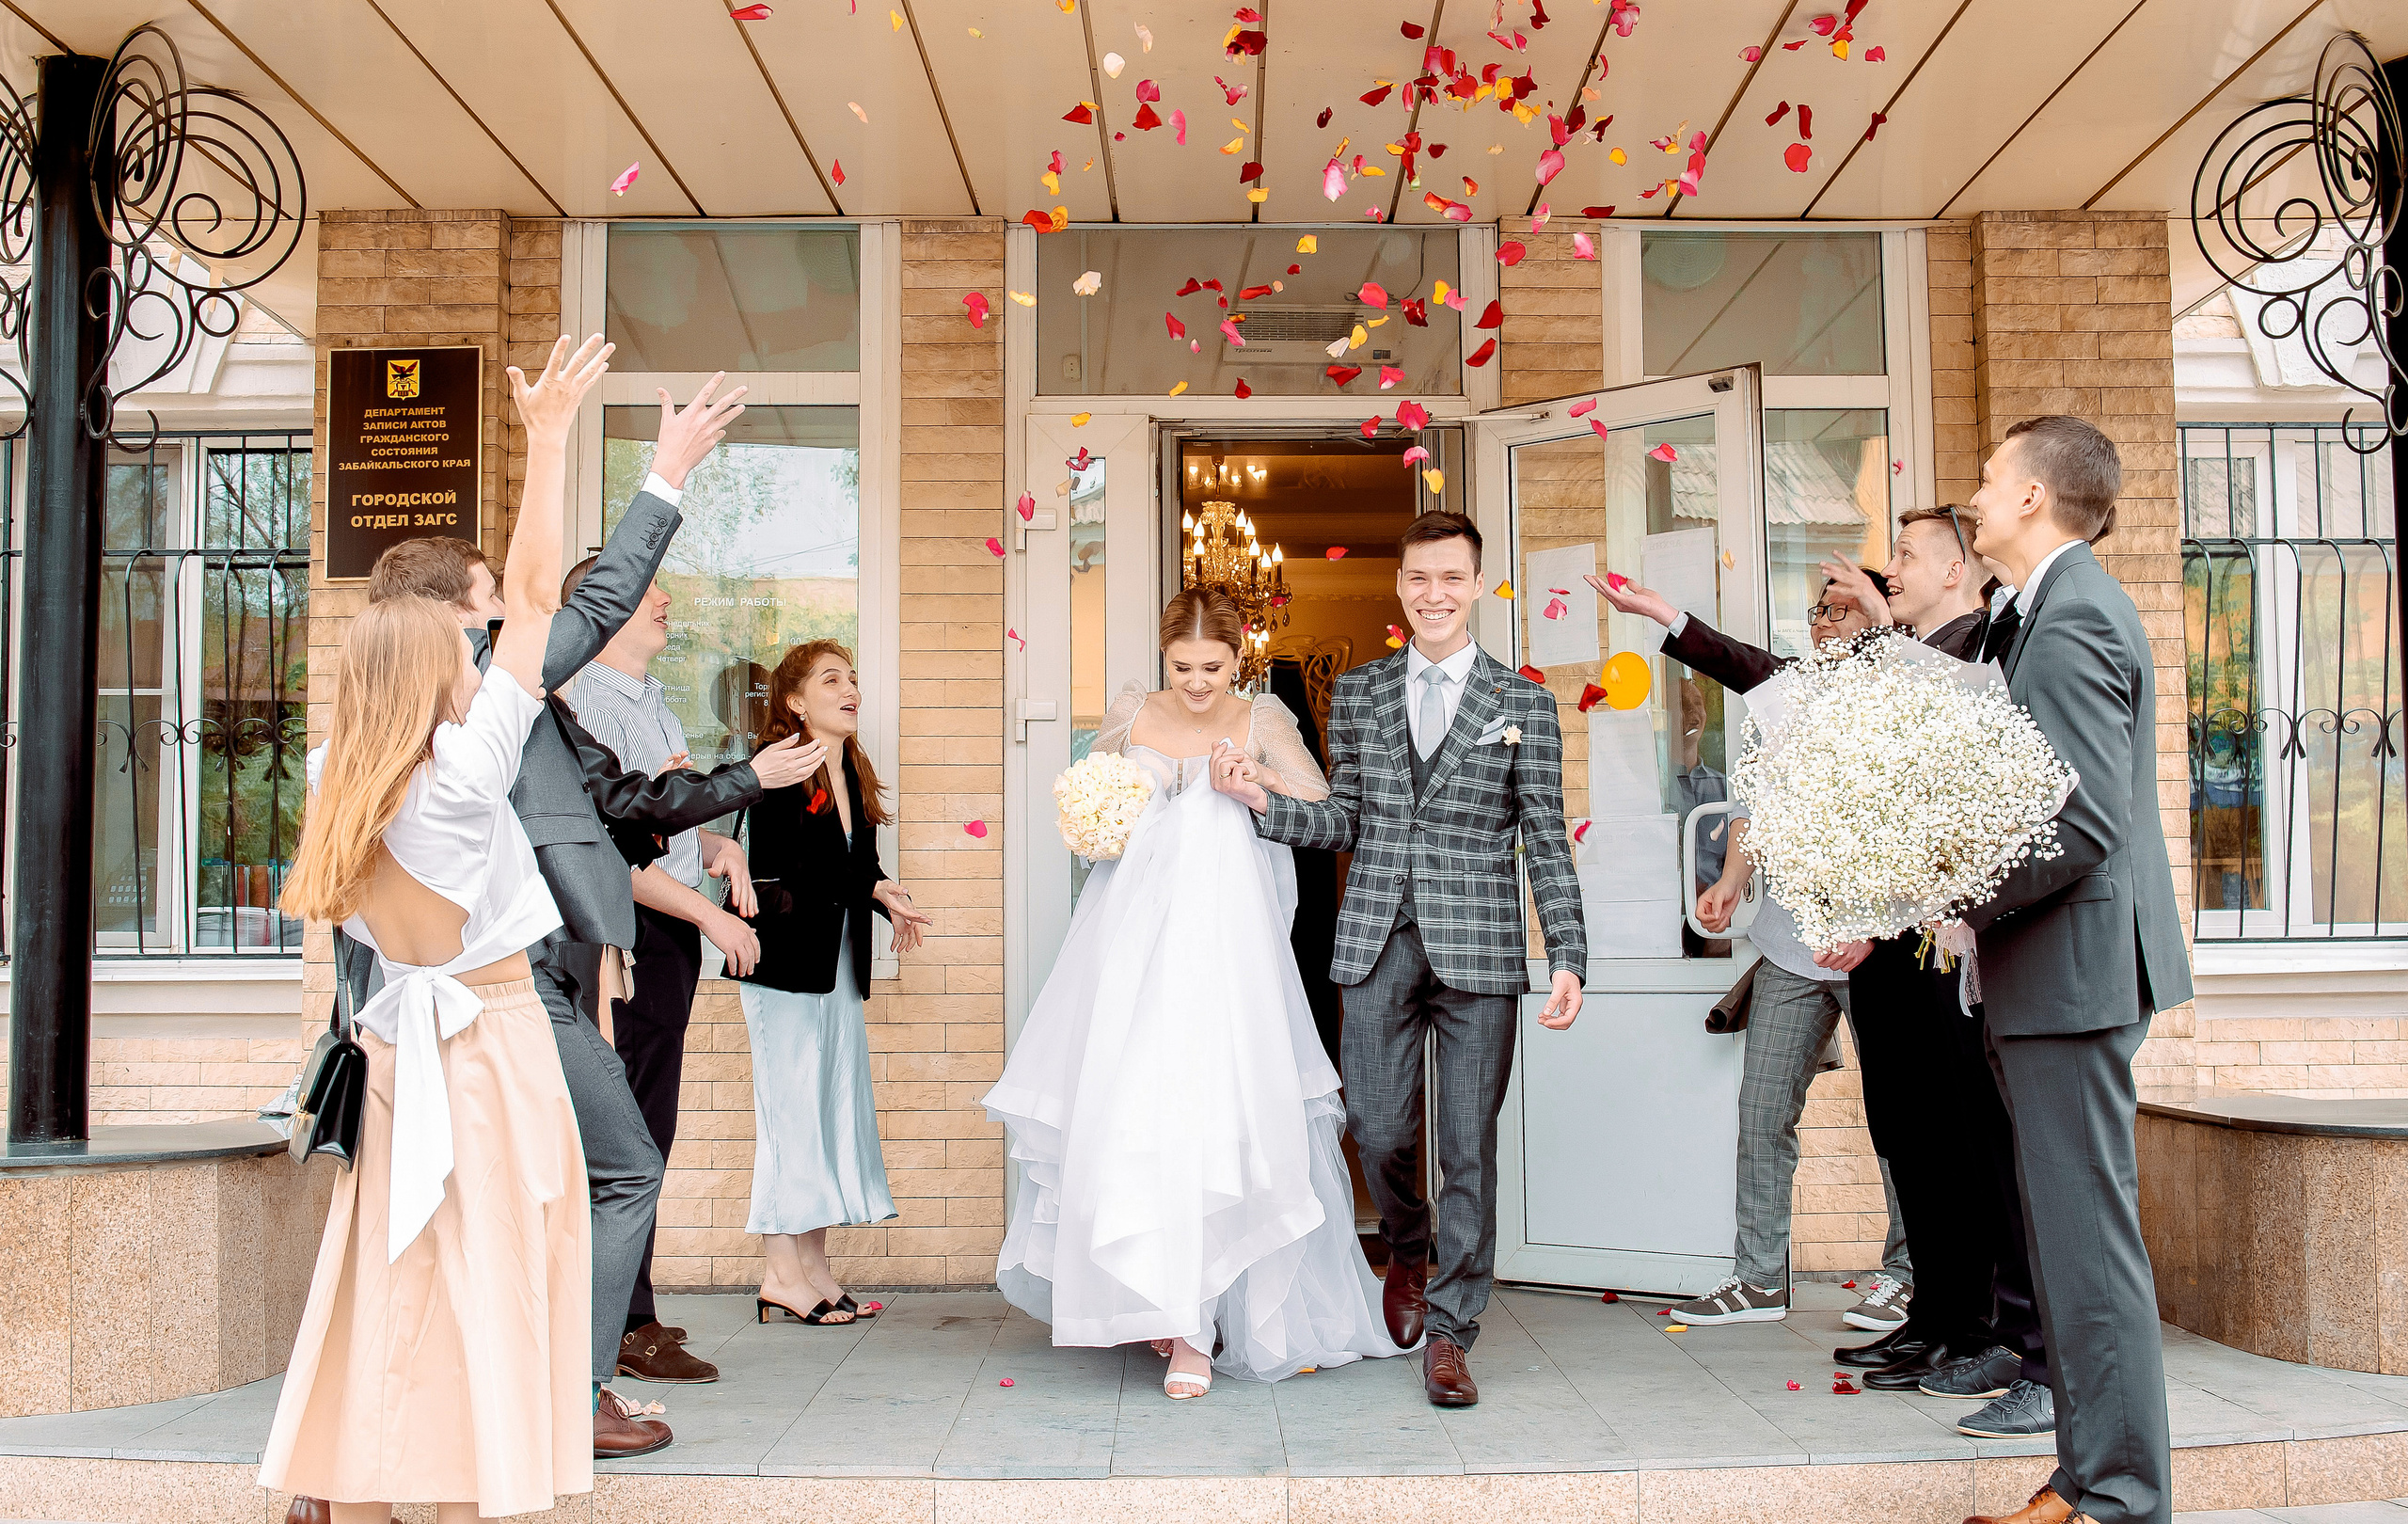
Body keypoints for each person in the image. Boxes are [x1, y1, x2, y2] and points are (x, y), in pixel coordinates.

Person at [337, 375, 823, 1445]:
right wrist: (651, 467)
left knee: (422, 1213)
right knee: (603, 1173)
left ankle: (371, 1428)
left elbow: (612, 801)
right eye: (493, 602)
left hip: (401, 1012)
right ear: (452, 624)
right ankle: (570, 1395)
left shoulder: (345, 758)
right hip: (506, 1000)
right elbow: (586, 605)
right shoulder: (478, 738)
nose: (513, 611)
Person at [261, 334, 610, 1523]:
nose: (479, 659)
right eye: (462, 650)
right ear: (427, 670)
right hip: (492, 1038)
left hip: (400, 1043)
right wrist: (550, 438)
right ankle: (476, 1483)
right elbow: (540, 597)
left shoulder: (328, 777)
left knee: (391, 1264)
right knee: (501, 1261)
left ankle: (354, 1475)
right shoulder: (463, 775)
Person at [989, 588, 1406, 1401]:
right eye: (1182, 667)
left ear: (1237, 659)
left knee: (1219, 1118)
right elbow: (1092, 799)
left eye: (1212, 667)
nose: (1197, 683)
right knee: (1134, 1114)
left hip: (1225, 959)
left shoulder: (1265, 718)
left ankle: (1200, 1324)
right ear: (1163, 659)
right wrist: (1095, 820)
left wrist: (1253, 782)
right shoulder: (1129, 711)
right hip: (1128, 957)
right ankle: (1157, 1300)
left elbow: (1320, 805)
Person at [1215, 513, 1587, 1409]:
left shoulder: (1522, 703)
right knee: (1377, 1131)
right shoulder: (1363, 691)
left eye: (1452, 579)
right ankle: (1408, 1249)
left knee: (1469, 1149)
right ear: (1400, 587)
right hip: (1377, 937)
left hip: (1482, 948)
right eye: (1419, 578)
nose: (1435, 595)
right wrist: (1262, 802)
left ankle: (1453, 1332)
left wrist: (1567, 951)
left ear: (1479, 584)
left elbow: (1545, 836)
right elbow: (1345, 817)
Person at [1957, 417, 2192, 1524]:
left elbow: (2080, 824)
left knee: (2088, 1254)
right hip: (2053, 978)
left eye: (1992, 477)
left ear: (2036, 500)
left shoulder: (2074, 618)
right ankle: (2084, 1476)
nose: (1976, 492)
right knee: (2066, 1247)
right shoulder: (2045, 611)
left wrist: (1953, 895)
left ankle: (2115, 1496)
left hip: (2068, 976)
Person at [1603, 571, 1914, 1331]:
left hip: (1875, 949)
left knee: (1902, 1117)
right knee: (1763, 1108)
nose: (1826, 622)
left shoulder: (1905, 706)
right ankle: (1758, 1279)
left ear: (1880, 619)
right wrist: (1732, 884)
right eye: (1820, 609)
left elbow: (1917, 835)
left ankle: (1910, 1274)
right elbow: (1753, 807)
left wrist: (1874, 924)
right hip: (1788, 943)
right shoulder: (1787, 701)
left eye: (1843, 609)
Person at [1816, 509, 2055, 1436]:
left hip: (1957, 945)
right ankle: (1943, 1321)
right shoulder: (1902, 656)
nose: (1890, 570)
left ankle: (1994, 1334)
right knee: (1915, 1139)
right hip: (1902, 938)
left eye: (1906, 556)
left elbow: (1975, 758)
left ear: (1956, 569)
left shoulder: (1984, 650)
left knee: (1974, 1153)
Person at [568, 570, 770, 1362]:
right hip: (631, 937)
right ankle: (617, 1327)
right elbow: (608, 857)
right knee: (628, 1135)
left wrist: (724, 853)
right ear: (603, 613)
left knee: (652, 1126)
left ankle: (634, 1309)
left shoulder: (648, 700)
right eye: (646, 590)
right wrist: (710, 915)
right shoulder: (584, 704)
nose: (663, 599)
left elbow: (666, 832)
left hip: (670, 932)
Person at [737, 640, 930, 1325]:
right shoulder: (779, 770)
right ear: (794, 701)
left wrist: (885, 894)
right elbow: (790, 871)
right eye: (830, 680)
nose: (850, 689)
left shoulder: (850, 766)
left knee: (822, 1115)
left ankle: (813, 1269)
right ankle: (779, 1274)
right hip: (785, 969)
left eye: (852, 678)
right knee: (790, 1118)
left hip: (836, 968)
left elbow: (856, 868)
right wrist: (868, 888)